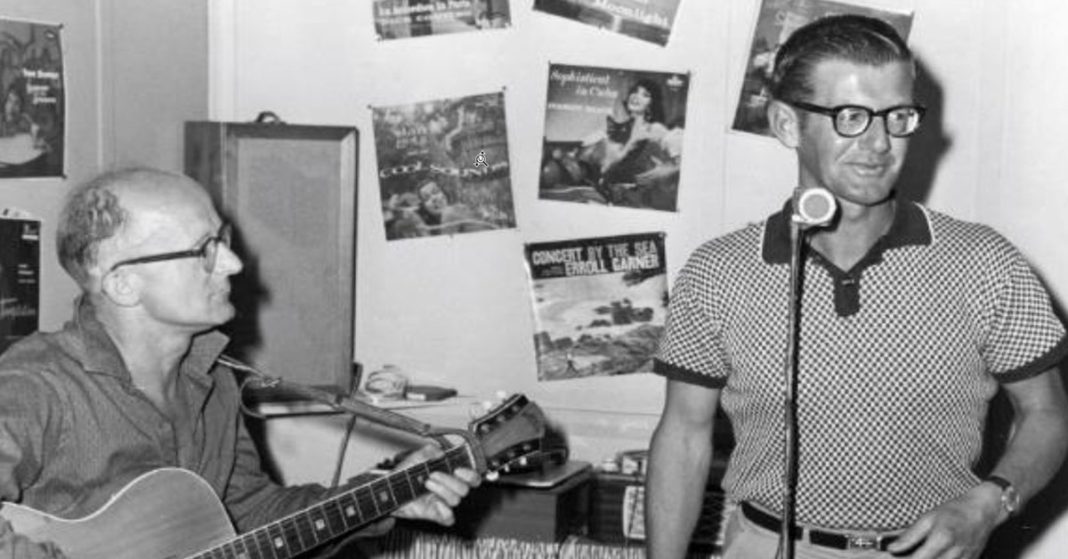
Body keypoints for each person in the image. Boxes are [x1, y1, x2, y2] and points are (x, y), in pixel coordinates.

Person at [646, 14, 1068, 559]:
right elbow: (683, 437)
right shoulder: (718, 272)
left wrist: (990, 503)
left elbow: (1050, 412)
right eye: (851, 116)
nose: (878, 143)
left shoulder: (984, 262)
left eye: (897, 117)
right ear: (786, 125)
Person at [0, 168, 481, 558]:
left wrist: (387, 494)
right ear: (124, 284)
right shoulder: (38, 384)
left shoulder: (215, 380)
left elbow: (247, 516)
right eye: (204, 250)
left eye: (223, 240)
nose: (232, 263)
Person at [579, 79, 682, 210]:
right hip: (609, 195)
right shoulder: (618, 128)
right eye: (635, 92)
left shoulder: (653, 129)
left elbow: (681, 164)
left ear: (651, 104)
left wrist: (660, 173)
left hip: (638, 201)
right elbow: (606, 164)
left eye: (645, 95)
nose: (636, 95)